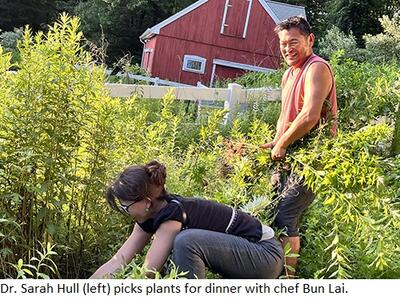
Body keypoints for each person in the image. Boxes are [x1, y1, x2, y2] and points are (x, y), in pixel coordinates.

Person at [91, 160, 284, 279]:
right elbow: (119, 260)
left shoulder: (172, 215)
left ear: (147, 201)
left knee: (186, 241)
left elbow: (148, 272)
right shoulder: (149, 215)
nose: (125, 212)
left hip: (265, 255)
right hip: (248, 254)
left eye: (126, 206)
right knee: (185, 243)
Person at [260, 16, 338, 275]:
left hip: (312, 158)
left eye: (293, 42)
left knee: (285, 216)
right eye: (283, 44)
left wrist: (282, 143)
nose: (287, 48)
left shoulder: (317, 67)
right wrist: (277, 139)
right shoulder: (288, 74)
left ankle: (285, 280)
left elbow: (309, 116)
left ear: (310, 39)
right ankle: (271, 269)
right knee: (272, 212)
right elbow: (287, 115)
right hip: (287, 156)